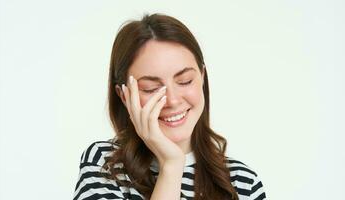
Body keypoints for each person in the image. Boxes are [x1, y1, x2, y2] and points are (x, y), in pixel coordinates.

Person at [73, 13, 266, 200]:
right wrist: (172, 165)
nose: (172, 100)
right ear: (124, 95)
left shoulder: (243, 183)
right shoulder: (104, 164)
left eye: (185, 81)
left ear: (202, 78)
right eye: (151, 88)